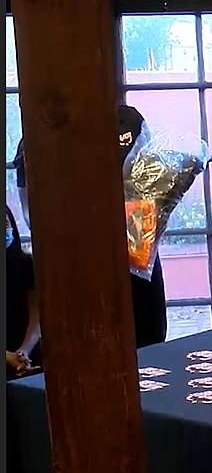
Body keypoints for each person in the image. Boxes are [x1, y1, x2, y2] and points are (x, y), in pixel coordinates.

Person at [12, 104, 169, 348]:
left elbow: (147, 193)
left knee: (148, 345)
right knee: (86, 348)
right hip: (76, 267)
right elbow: (33, 215)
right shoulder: (35, 138)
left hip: (134, 258)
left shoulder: (126, 121)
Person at [6, 205, 41, 377]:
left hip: (27, 354)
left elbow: (36, 315)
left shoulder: (26, 264)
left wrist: (23, 351)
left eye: (6, 223)